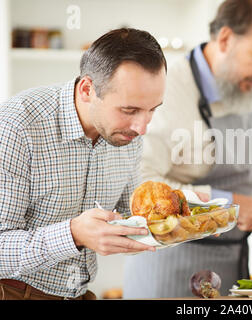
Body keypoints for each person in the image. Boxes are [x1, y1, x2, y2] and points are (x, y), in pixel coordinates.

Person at [124, 0, 252, 298]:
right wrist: (227, 202)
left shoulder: (238, 83)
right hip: (173, 270)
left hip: (228, 264)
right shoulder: (167, 89)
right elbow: (140, 185)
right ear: (226, 39)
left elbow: (232, 163)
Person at [0, 28, 167, 300]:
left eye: (152, 109)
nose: (142, 127)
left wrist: (191, 218)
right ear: (88, 89)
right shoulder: (16, 127)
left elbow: (132, 218)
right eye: (129, 110)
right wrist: (73, 234)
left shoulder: (128, 134)